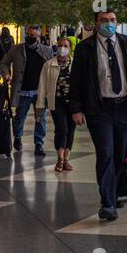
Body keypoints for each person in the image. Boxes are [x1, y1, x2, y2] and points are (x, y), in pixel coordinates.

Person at [68, 10, 127, 222]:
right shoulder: (86, 48)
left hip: (124, 107)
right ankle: (108, 203)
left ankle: (113, 193)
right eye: (104, 21)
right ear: (95, 23)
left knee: (120, 153)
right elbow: (75, 80)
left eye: (112, 20)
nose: (109, 24)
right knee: (105, 152)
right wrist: (76, 108)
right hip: (99, 108)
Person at [0, 24, 54, 157]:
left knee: (40, 119)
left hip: (40, 92)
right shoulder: (16, 49)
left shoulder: (47, 51)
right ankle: (17, 137)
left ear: (39, 36)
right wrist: (6, 73)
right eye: (28, 34)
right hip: (22, 91)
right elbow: (4, 63)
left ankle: (39, 144)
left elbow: (52, 68)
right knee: (19, 118)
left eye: (33, 35)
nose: (29, 37)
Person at [39, 35, 77, 173]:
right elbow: (42, 86)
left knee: (71, 130)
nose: (62, 49)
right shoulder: (49, 65)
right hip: (57, 102)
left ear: (70, 48)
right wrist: (39, 105)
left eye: (66, 46)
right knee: (62, 129)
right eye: (60, 45)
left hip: (74, 103)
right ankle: (60, 159)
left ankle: (66, 159)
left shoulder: (76, 64)